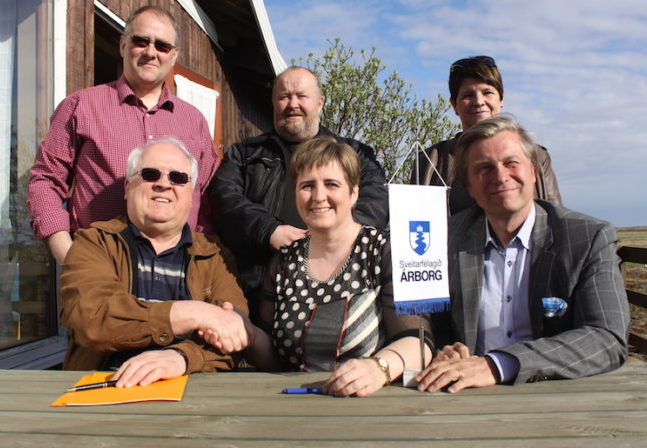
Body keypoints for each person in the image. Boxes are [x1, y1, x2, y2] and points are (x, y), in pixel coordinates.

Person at [416, 116, 629, 393]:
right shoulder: (442, 238)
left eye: (511, 163)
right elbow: (426, 321)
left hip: (556, 394)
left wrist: (498, 364)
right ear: (468, 187)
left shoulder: (588, 238)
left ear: (533, 172)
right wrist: (442, 349)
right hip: (464, 395)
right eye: (484, 168)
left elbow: (607, 337)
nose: (500, 176)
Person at [205, 137, 431, 397]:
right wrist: (249, 334)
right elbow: (275, 360)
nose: (318, 196)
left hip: (370, 404)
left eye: (332, 184)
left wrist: (379, 368)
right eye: (307, 186)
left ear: (354, 192)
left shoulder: (386, 251)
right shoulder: (284, 261)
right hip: (298, 403)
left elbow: (419, 342)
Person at [27, 6, 217, 265]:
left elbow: (206, 200)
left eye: (162, 46)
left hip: (178, 271)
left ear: (174, 56)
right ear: (123, 45)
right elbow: (45, 181)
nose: (150, 52)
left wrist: (201, 265)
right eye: (141, 41)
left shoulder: (194, 121)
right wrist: (68, 256)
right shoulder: (81, 106)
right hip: (99, 267)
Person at [58, 138, 247, 387]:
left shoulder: (215, 256)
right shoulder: (94, 243)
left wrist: (181, 357)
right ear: (127, 187)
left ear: (192, 196)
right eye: (150, 174)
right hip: (104, 388)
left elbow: (235, 334)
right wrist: (196, 313)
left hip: (193, 394)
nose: (163, 184)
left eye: (178, 178)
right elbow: (92, 319)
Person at [208, 66, 388, 314]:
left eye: (302, 96)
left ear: (320, 102)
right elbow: (224, 200)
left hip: (338, 291)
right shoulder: (243, 154)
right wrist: (268, 231)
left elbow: (377, 201)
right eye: (284, 97)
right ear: (274, 103)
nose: (293, 104)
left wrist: (331, 239)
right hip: (255, 294)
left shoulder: (357, 154)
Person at [411, 56, 561, 214]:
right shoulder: (429, 161)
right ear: (454, 104)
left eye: (487, 92)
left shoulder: (536, 156)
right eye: (468, 95)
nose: (479, 101)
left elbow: (556, 219)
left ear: (501, 99)